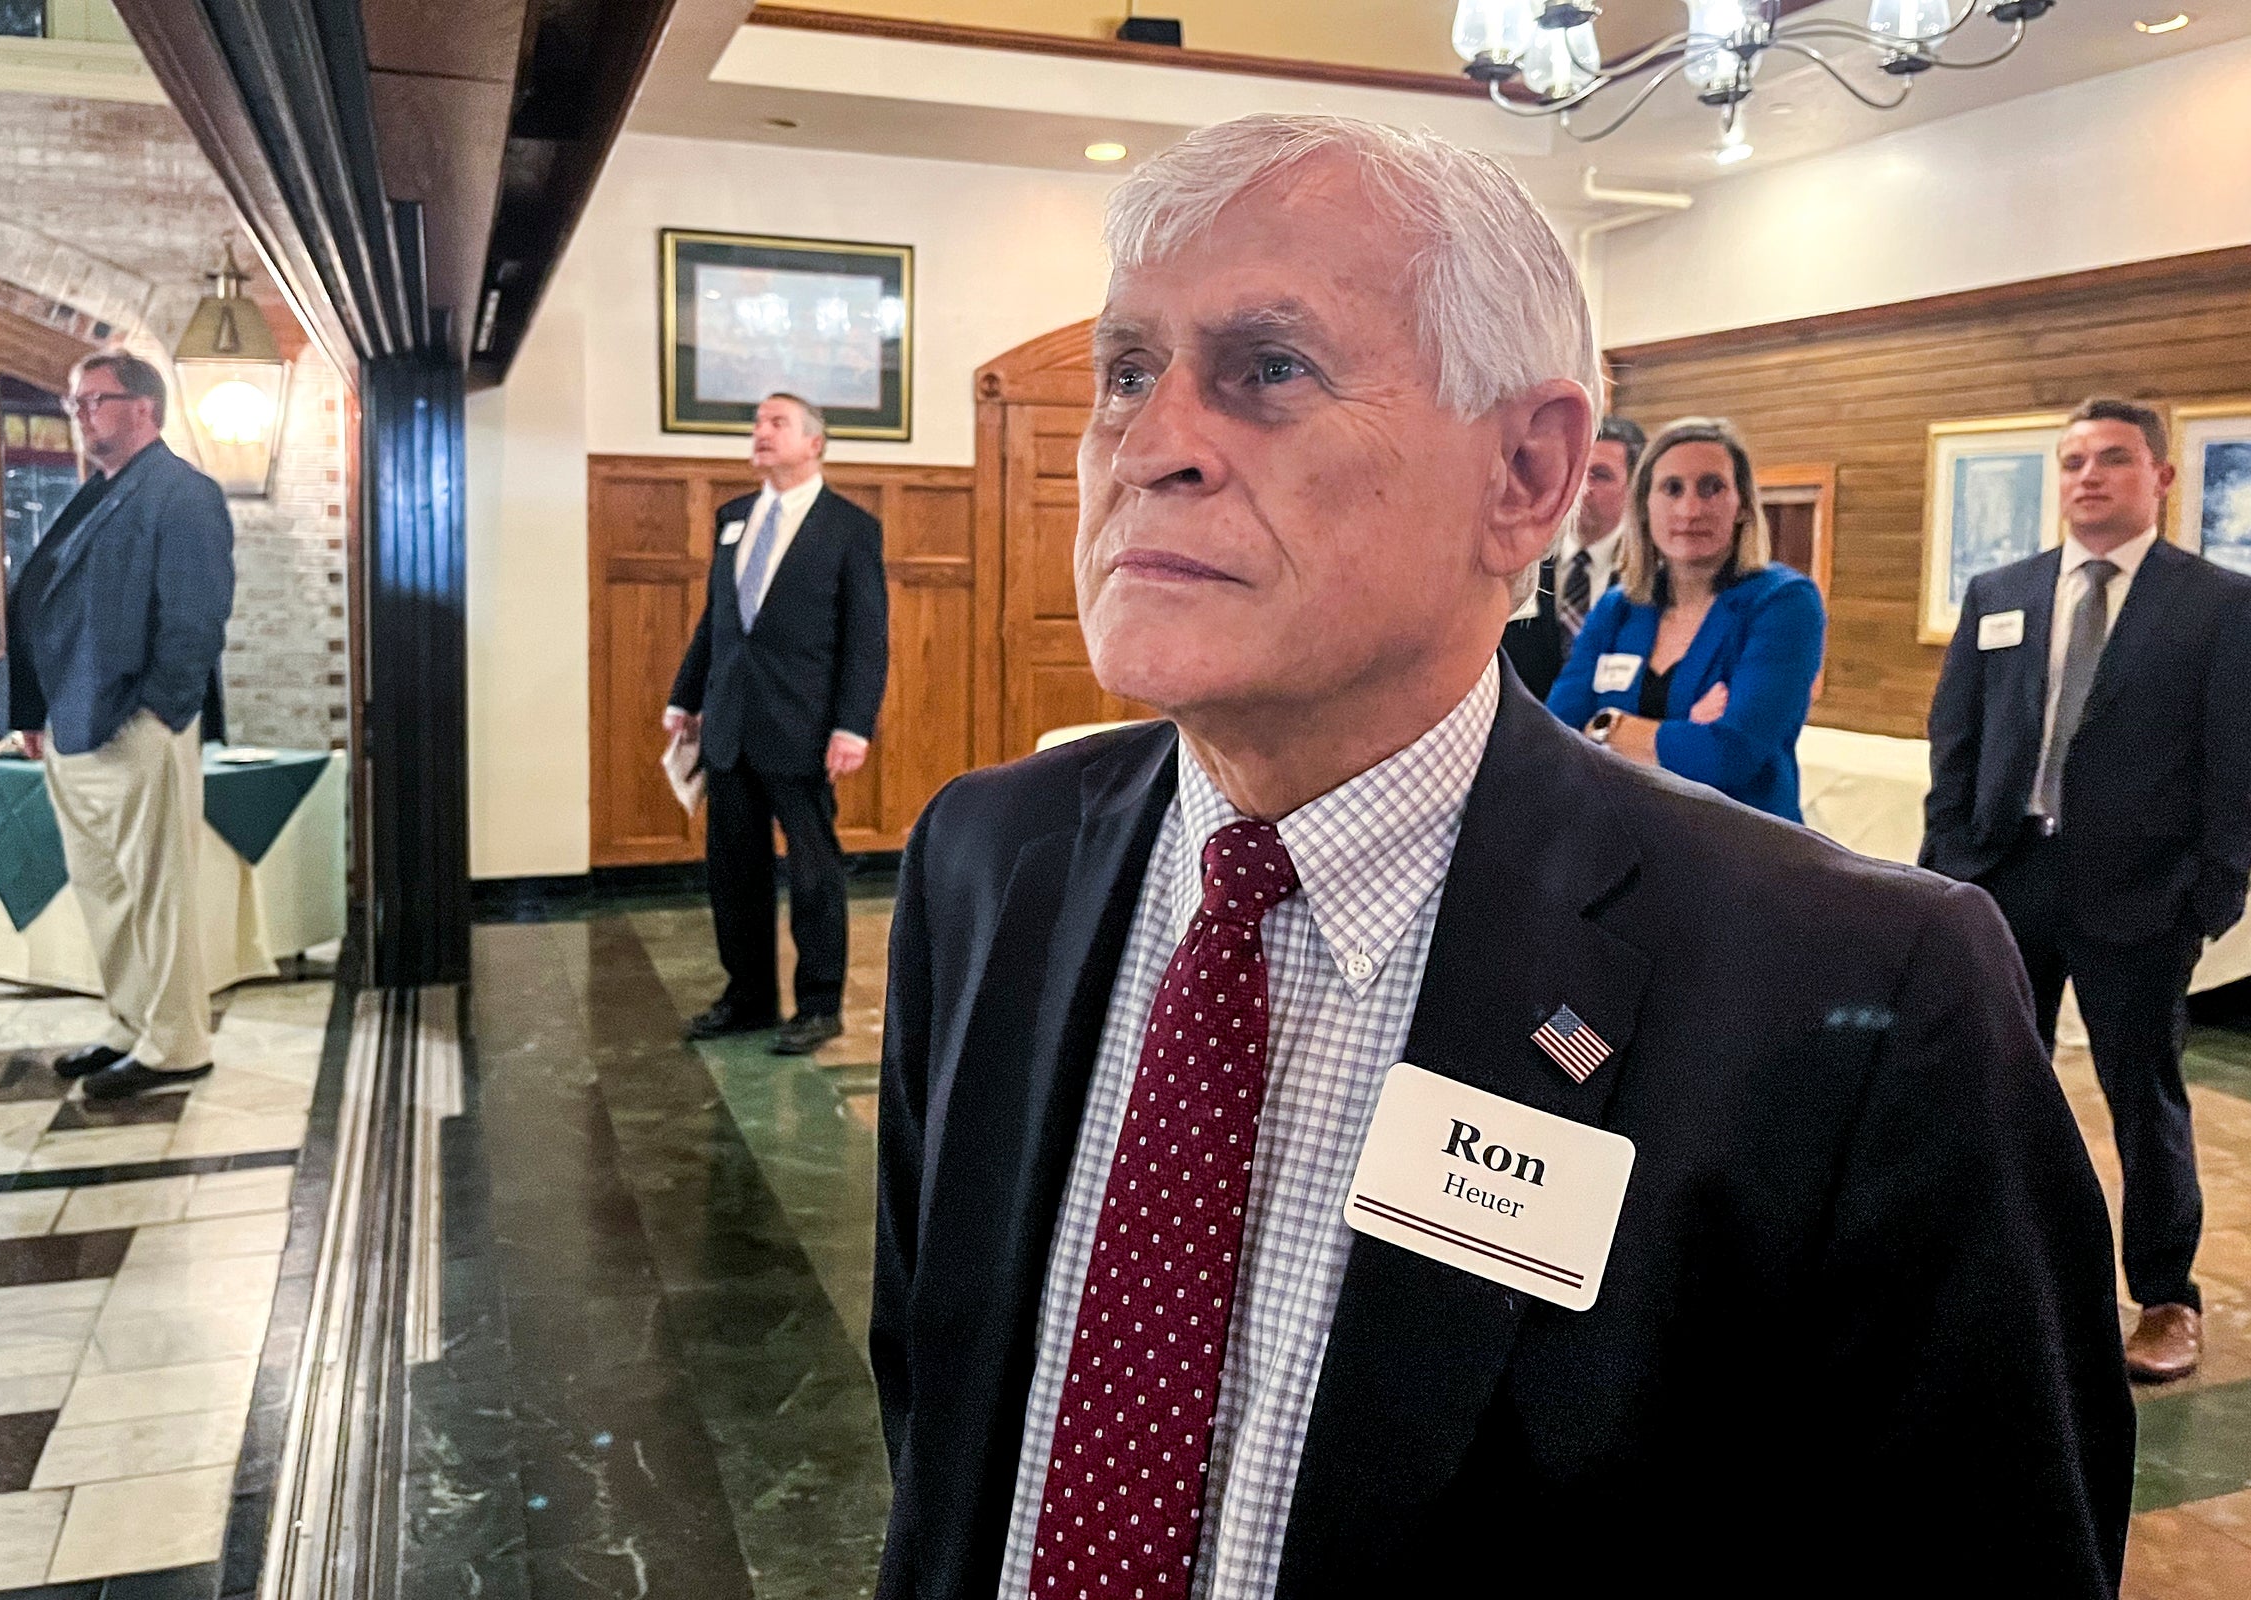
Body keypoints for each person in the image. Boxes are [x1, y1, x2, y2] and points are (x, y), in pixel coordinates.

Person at [870, 114, 2130, 1600]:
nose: (1148, 448)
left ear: (1528, 473)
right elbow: (940, 1410)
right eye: (1128, 372)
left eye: (1267, 369)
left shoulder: (1861, 998)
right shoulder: (983, 856)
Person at [1924, 396, 2251, 1384]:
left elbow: (2236, 764)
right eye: (2072, 462)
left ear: (2160, 478)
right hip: (2003, 876)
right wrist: (1949, 865)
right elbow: (1958, 740)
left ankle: (2165, 1294)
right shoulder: (2001, 591)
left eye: (2113, 459)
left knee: (2141, 1096)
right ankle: (1994, 1269)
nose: (2088, 477)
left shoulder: (2218, 605)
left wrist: (2211, 896)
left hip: (2140, 898)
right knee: (1987, 1082)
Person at [0, 351, 235, 1102]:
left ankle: (177, 1045)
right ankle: (132, 1024)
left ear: (142, 407)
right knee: (104, 889)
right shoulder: (94, 493)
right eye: (74, 402)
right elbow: (41, 602)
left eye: (92, 400)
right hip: (73, 727)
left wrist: (159, 713)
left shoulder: (182, 492)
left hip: (136, 726)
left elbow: (196, 618)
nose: (79, 414)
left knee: (156, 891)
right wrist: (30, 713)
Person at [666, 393, 889, 1056]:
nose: (760, 433)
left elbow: (867, 638)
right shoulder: (733, 517)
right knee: (733, 870)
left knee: (815, 873)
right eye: (758, 424)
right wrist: (685, 697)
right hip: (731, 722)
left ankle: (819, 1005)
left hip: (805, 728)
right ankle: (749, 998)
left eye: (776, 423)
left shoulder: (850, 527)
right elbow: (718, 621)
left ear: (814, 442)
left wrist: (854, 725)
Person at [1545, 417, 1826, 821]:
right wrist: (1688, 735)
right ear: (1643, 505)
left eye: (1712, 488)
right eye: (1672, 488)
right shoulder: (1618, 609)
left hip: (1745, 855)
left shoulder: (1783, 603)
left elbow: (1730, 756)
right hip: (1628, 841)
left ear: (1743, 504)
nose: (1690, 509)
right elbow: (1556, 734)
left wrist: (1605, 725)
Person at [1500, 415, 1643, 699]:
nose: (1582, 486)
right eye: (1578, 471)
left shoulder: (1650, 571)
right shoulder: (1523, 556)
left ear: (1635, 488)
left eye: (1600, 475)